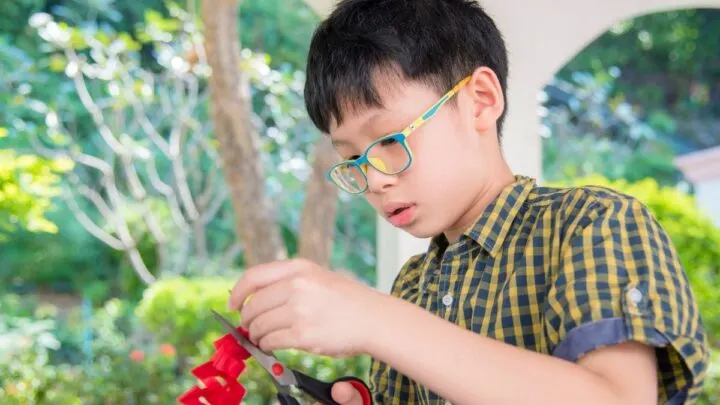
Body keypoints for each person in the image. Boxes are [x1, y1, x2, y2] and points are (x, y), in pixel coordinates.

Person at [228, 0, 710, 404]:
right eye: (352, 158)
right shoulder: (413, 287)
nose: (373, 179)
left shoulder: (593, 224)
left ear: (480, 99)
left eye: (390, 139)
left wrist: (375, 318)